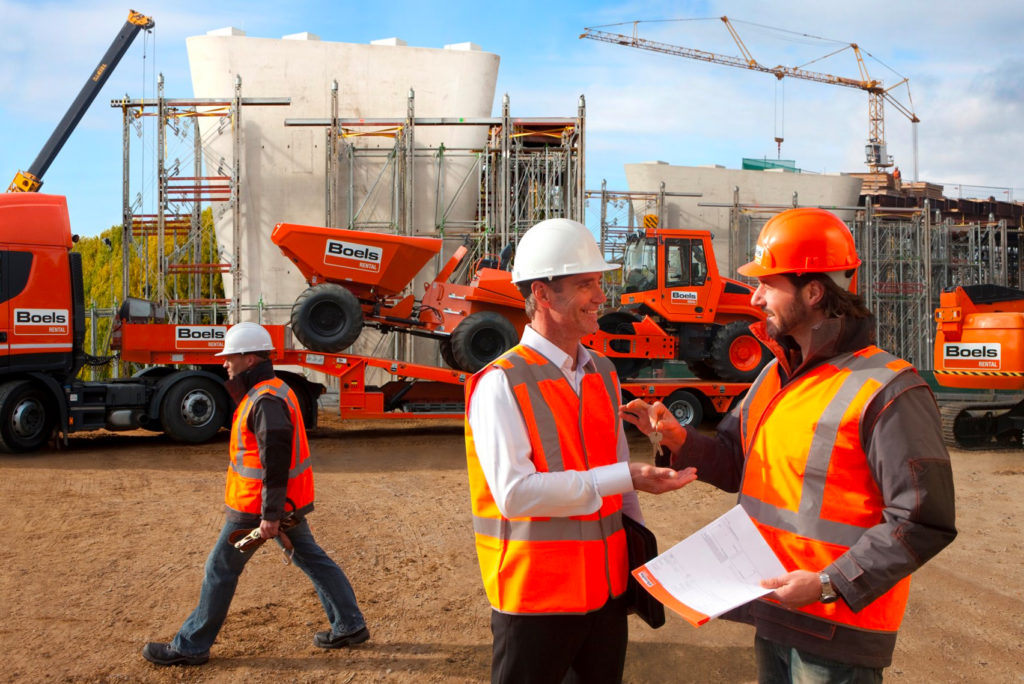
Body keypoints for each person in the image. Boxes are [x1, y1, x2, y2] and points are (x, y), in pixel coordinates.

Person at [622, 207, 957, 683]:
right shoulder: (776, 375)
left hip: (837, 629)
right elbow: (738, 461)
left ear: (814, 291)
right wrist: (680, 441)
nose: (754, 297)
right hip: (776, 611)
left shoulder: (888, 389)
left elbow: (924, 520)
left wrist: (827, 583)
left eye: (767, 283)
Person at [465, 218, 698, 684]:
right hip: (535, 601)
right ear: (542, 295)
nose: (600, 296)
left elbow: (618, 479)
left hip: (606, 594)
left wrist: (642, 555)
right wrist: (626, 476)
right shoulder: (500, 382)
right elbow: (515, 495)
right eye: (584, 284)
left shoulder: (602, 372)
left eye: (599, 282)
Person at [142, 322, 368, 666]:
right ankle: (349, 625)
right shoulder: (274, 390)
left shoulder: (264, 400)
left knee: (220, 569)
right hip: (281, 504)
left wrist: (270, 517)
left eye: (230, 357)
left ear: (248, 359)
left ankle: (190, 646)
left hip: (258, 508)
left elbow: (274, 464)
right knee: (311, 559)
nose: (224, 363)